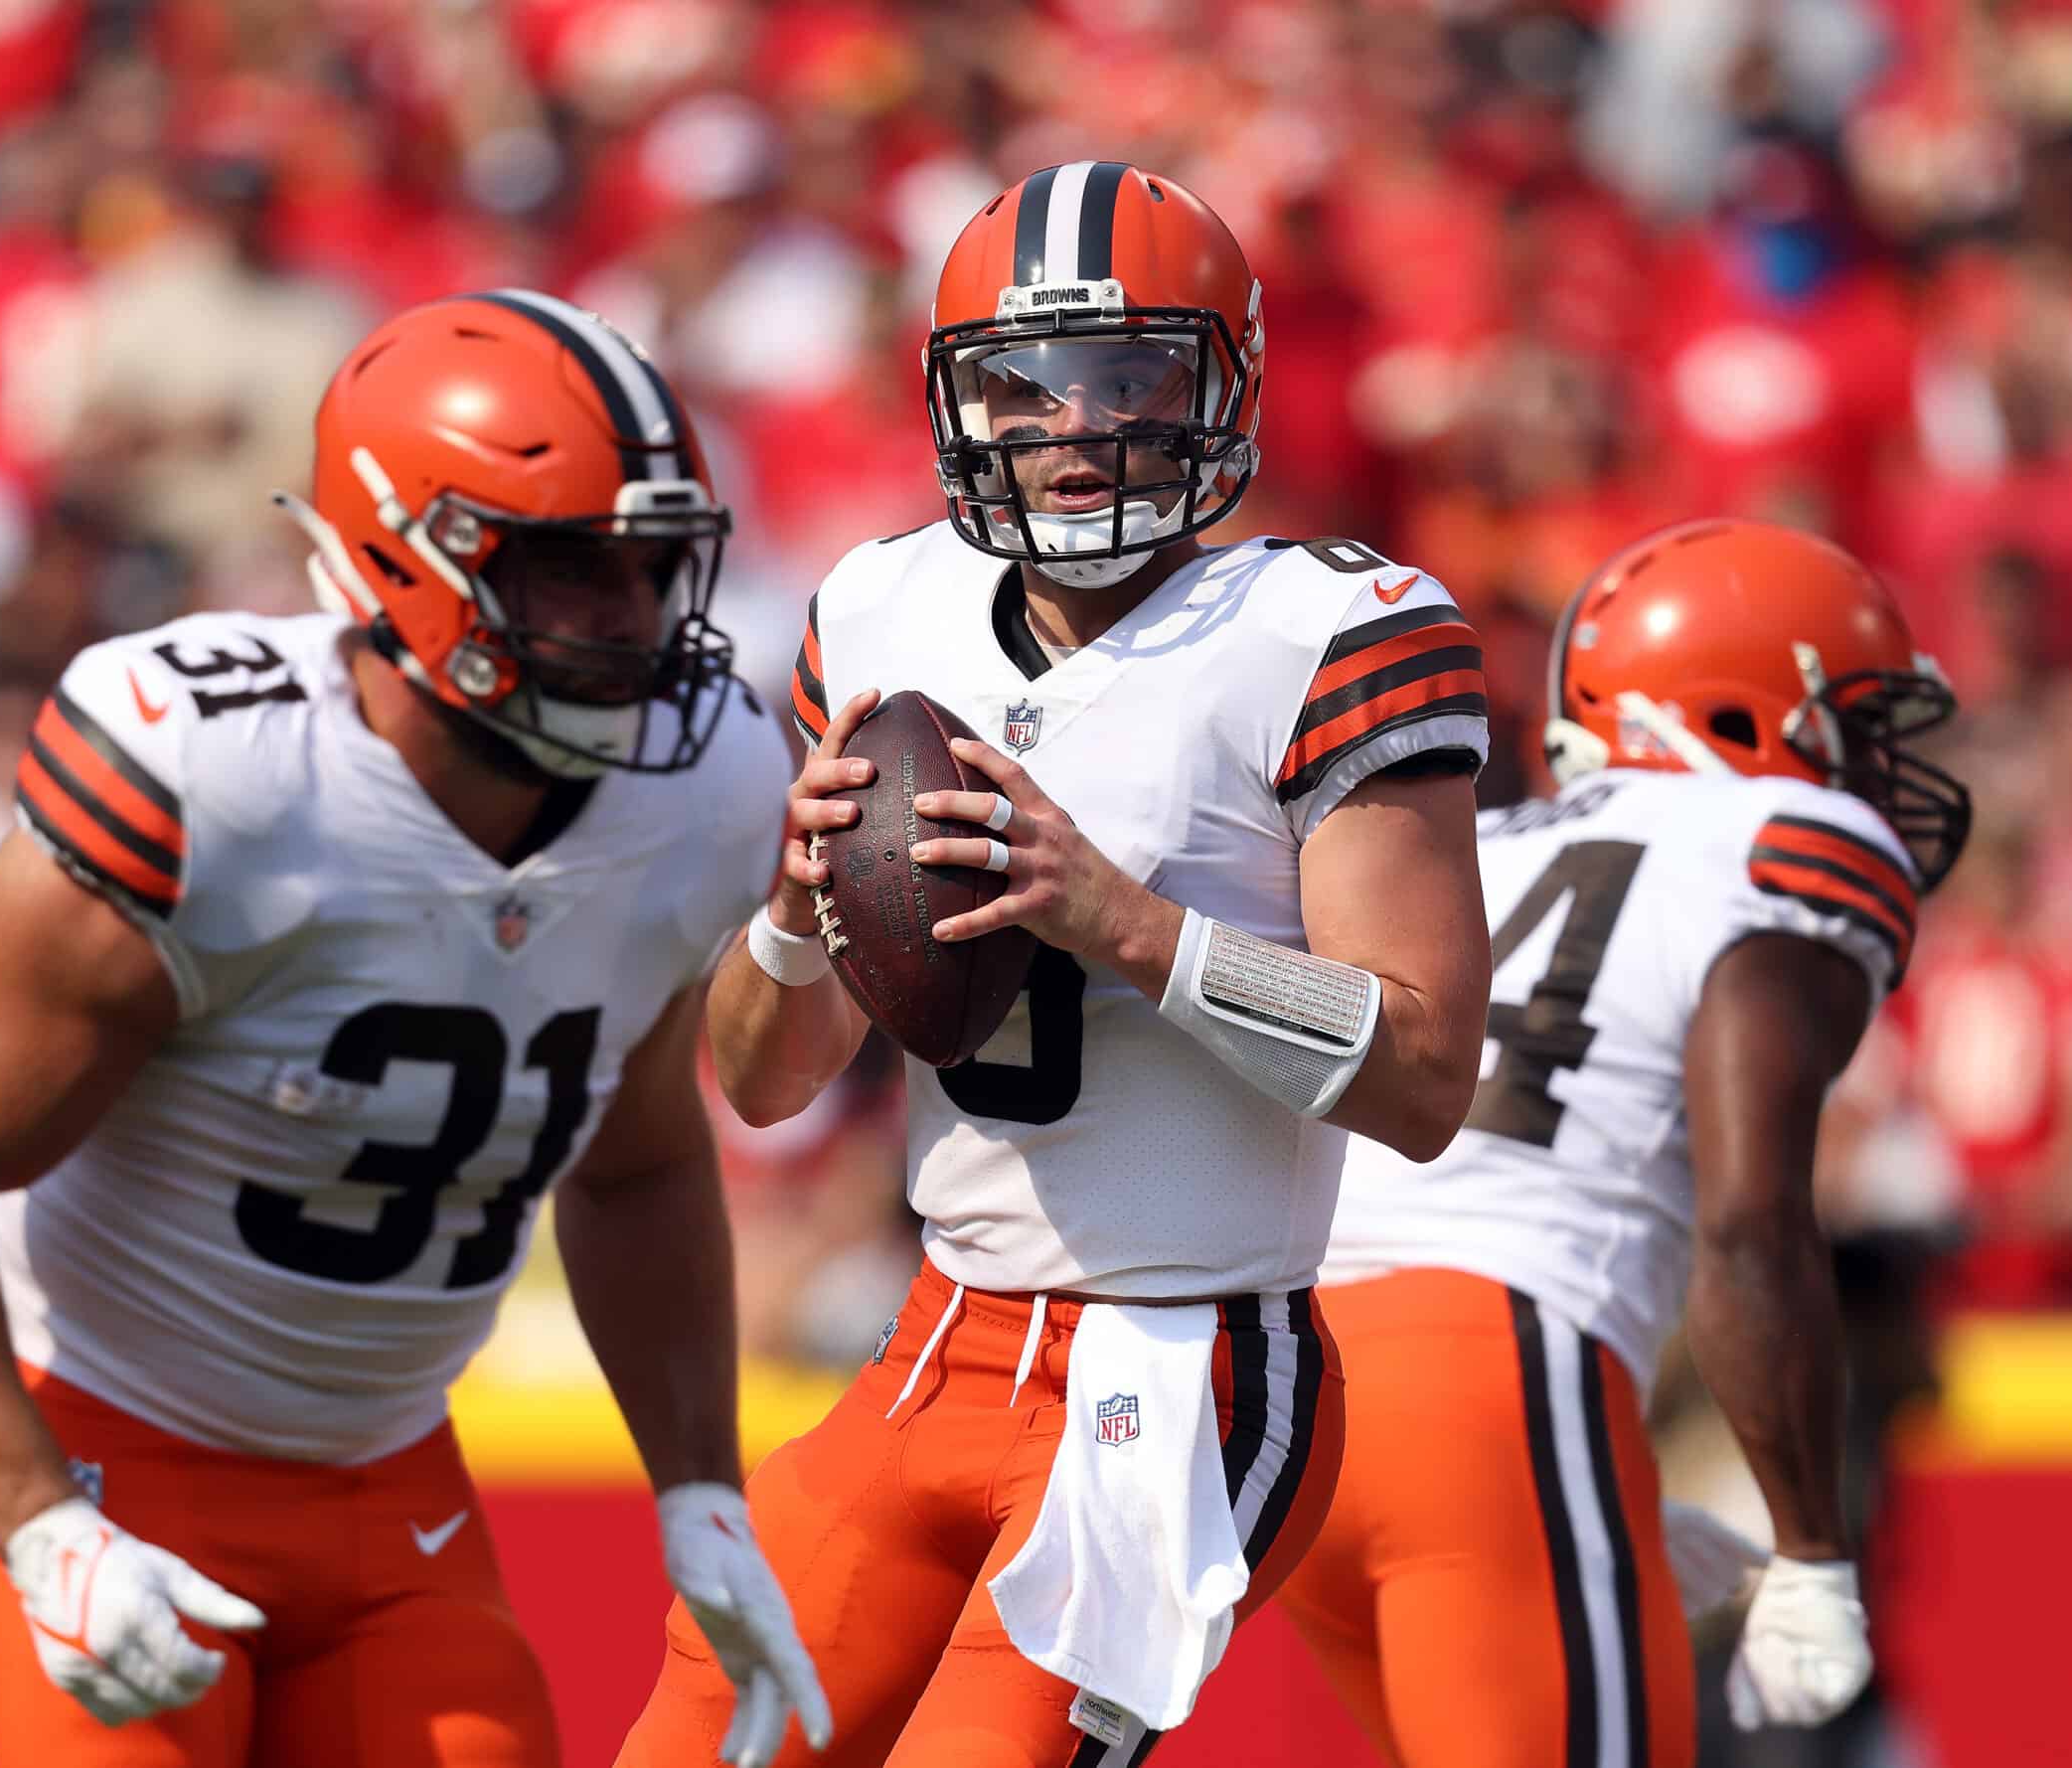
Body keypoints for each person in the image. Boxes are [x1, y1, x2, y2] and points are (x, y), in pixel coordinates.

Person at [0, 290, 829, 1768]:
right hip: (112, 1452)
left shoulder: (701, 791)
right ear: (398, 558)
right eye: (570, 573)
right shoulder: (214, 776)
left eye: (652, 571)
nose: (633, 624)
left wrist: (699, 1485)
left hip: (392, 1493)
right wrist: (42, 1528)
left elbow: (638, 1161)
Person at [618, 162, 1495, 1768]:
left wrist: (1126, 924)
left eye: (1130, 375)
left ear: (1220, 380)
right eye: (1022, 384)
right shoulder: (884, 604)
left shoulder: (1329, 631)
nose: (1074, 424)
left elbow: (1428, 1077)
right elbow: (757, 1077)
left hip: (1181, 1361)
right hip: (929, 1334)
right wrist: (798, 907)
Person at [1277, 519, 1974, 1768]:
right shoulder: (1768, 845)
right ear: (1750, 713)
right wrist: (1813, 1546)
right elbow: (1754, 1223)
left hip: (1300, 1404)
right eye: (1854, 724)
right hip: (1495, 1381)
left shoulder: (1477, 846)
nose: (1875, 770)